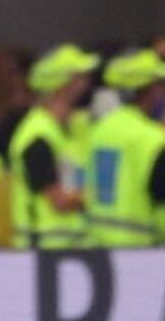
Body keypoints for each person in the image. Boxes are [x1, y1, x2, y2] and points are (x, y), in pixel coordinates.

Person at [85, 49, 165, 248]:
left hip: (98, 244)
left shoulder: (99, 129)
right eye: (160, 85)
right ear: (149, 89)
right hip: (135, 248)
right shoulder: (148, 136)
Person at [7, 44, 99, 250]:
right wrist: (97, 196)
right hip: (43, 248)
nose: (87, 84)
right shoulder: (37, 136)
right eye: (80, 77)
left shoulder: (68, 129)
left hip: (69, 246)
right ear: (63, 85)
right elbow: (59, 201)